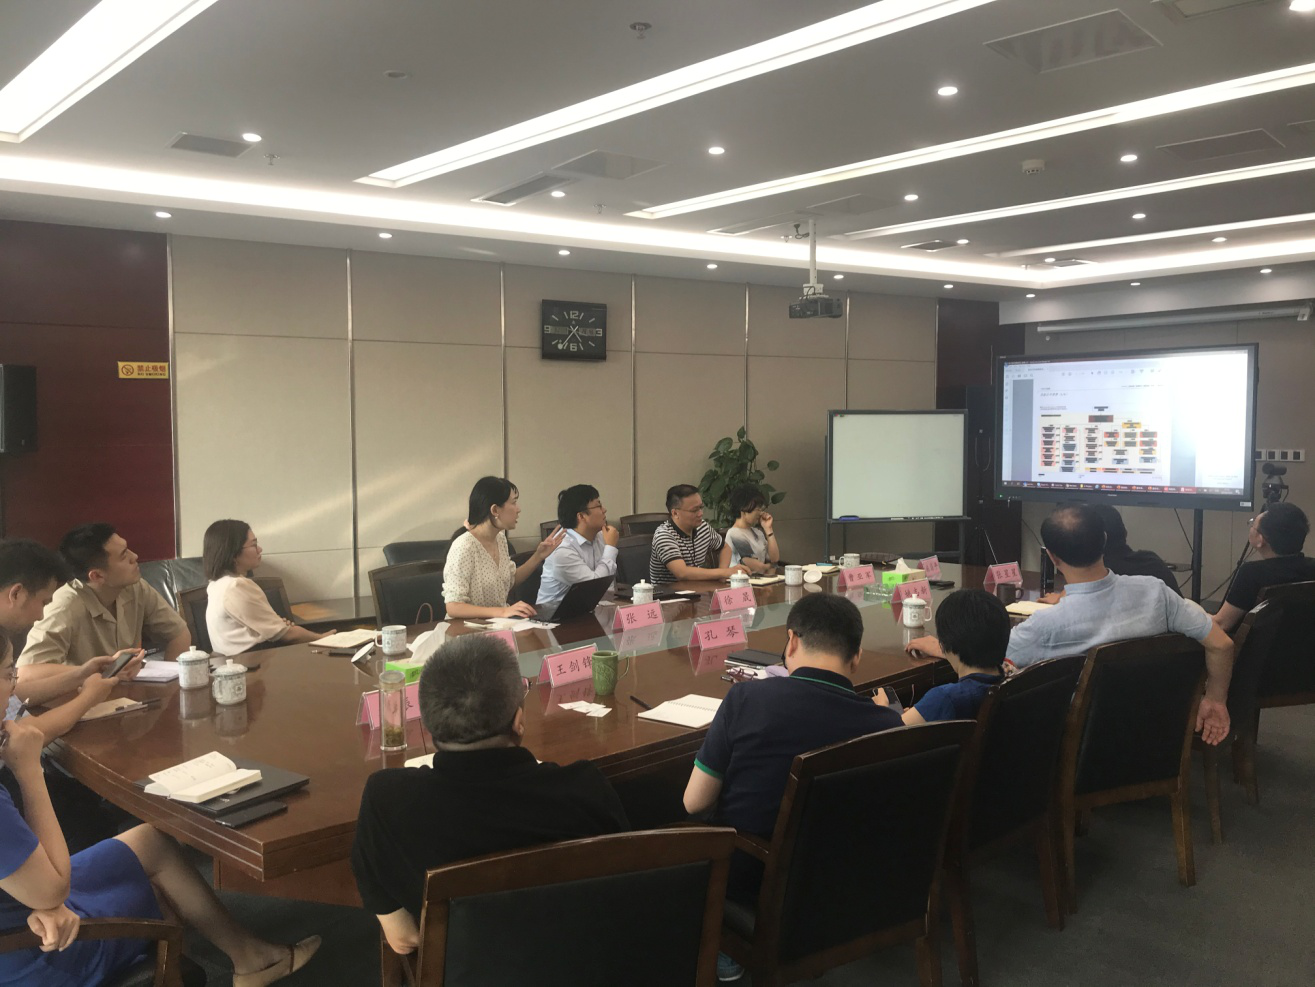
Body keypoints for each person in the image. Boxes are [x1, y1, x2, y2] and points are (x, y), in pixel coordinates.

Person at [0, 645, 321, 987]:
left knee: (148, 840)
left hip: (20, 908)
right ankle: (185, 964)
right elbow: (52, 891)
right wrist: (29, 770)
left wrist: (41, 900)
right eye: (9, 675)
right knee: (156, 890)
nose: (15, 690)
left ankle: (247, 958)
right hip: (34, 953)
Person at [351, 633, 629, 956]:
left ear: (426, 724)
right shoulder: (585, 789)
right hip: (585, 964)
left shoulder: (386, 801)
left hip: (465, 971)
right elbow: (624, 896)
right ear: (519, 722)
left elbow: (403, 940)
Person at [683, 593, 902, 983]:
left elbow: (694, 802)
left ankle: (723, 940)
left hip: (753, 881)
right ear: (856, 657)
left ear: (792, 641)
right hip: (848, 879)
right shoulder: (887, 726)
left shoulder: (747, 698)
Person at [906, 504, 1236, 744]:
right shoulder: (1156, 592)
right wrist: (1215, 701)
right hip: (1159, 731)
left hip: (1076, 745)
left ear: (1051, 557)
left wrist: (939, 645)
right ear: (1104, 540)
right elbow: (1221, 643)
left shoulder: (1044, 626)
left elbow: (981, 658)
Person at [17, 524, 189, 706]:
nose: (135, 557)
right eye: (124, 555)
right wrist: (96, 671)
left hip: (125, 704)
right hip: (79, 707)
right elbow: (26, 674)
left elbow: (179, 633)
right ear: (97, 576)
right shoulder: (64, 606)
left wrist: (170, 694)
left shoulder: (136, 588)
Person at [877, 589, 1007, 725]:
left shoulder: (945, 698)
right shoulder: (1007, 682)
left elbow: (892, 730)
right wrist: (921, 712)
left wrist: (882, 709)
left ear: (945, 644)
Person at [443, 477, 565, 621]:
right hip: (467, 629)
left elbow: (510, 580)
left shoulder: (500, 539)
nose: (518, 509)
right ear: (495, 510)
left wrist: (538, 556)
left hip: (498, 625)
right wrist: (502, 611)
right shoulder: (464, 546)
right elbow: (454, 606)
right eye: (513, 503)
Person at [203, 520, 329, 656]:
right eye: (254, 545)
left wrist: (276, 625)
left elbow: (267, 629)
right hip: (256, 663)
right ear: (233, 554)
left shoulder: (215, 585)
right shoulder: (237, 586)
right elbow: (288, 635)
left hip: (234, 663)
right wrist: (323, 638)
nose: (260, 549)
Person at [1213, 502, 1315, 633]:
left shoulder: (1251, 573)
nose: (1250, 527)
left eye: (1252, 524)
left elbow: (1222, 624)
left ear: (1260, 540)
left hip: (1256, 646)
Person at [536, 485, 619, 618]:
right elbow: (593, 589)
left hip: (588, 612)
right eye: (598, 506)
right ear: (581, 516)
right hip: (555, 619)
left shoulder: (600, 537)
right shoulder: (562, 549)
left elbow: (608, 589)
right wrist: (610, 548)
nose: (604, 510)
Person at [648, 485, 749, 584]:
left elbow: (725, 548)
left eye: (701, 507)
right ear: (675, 513)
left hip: (697, 589)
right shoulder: (664, 535)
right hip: (668, 593)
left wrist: (722, 575)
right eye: (694, 510)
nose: (700, 513)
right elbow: (682, 573)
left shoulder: (702, 527)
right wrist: (724, 572)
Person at [718, 485, 780, 575]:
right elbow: (756, 566)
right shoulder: (735, 533)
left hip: (760, 579)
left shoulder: (757, 532)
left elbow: (775, 559)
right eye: (757, 509)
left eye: (761, 509)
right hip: (742, 581)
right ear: (744, 508)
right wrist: (772, 566)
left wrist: (768, 529)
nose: (761, 513)